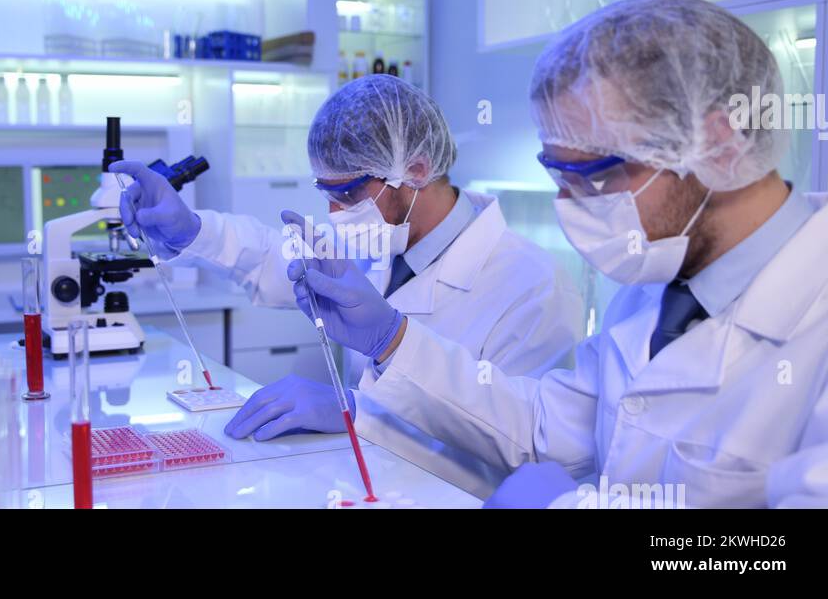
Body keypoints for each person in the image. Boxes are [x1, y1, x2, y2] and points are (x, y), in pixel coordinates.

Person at [288, 0, 828, 508]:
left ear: (719, 143)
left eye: (592, 175)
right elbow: (543, 428)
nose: (566, 205)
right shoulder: (658, 289)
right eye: (556, 172)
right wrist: (392, 340)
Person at [113, 75, 583, 497]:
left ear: (416, 170)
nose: (336, 214)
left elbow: (526, 452)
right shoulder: (380, 235)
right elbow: (275, 257)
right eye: (327, 194)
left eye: (347, 193)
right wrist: (191, 230)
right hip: (362, 485)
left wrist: (360, 412)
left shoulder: (534, 286)